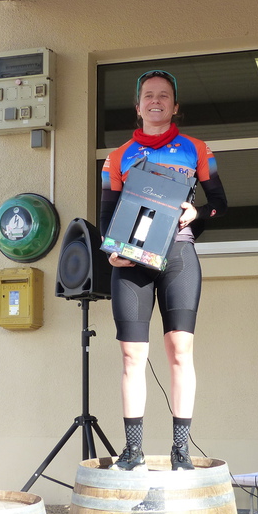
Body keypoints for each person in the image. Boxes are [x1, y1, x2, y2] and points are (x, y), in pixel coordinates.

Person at [99, 69, 227, 471]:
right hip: (132, 261)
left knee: (180, 351)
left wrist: (197, 212)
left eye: (164, 96)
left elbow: (220, 204)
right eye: (148, 96)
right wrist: (111, 251)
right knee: (132, 355)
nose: (156, 101)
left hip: (179, 256)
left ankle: (180, 451)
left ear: (175, 106)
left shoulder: (196, 149)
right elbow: (107, 215)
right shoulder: (117, 157)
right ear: (138, 107)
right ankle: (133, 450)